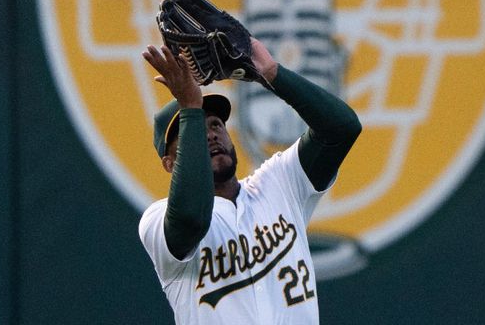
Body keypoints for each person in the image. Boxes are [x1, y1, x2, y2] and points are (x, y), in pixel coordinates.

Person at [138, 37, 362, 324]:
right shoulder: (156, 222)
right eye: (192, 132)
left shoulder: (280, 183)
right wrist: (189, 108)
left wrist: (272, 74)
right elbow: (192, 218)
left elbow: (341, 129)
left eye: (216, 124)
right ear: (170, 164)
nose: (210, 134)